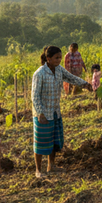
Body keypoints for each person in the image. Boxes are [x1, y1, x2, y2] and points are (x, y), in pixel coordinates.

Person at [32, 45, 92, 178]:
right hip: (42, 113)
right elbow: (35, 96)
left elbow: (71, 78)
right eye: (56, 58)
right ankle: (38, 170)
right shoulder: (40, 73)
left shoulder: (59, 70)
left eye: (60, 57)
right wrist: (40, 112)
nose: (59, 60)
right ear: (48, 58)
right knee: (41, 141)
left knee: (53, 140)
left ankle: (51, 166)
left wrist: (85, 84)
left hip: (55, 112)